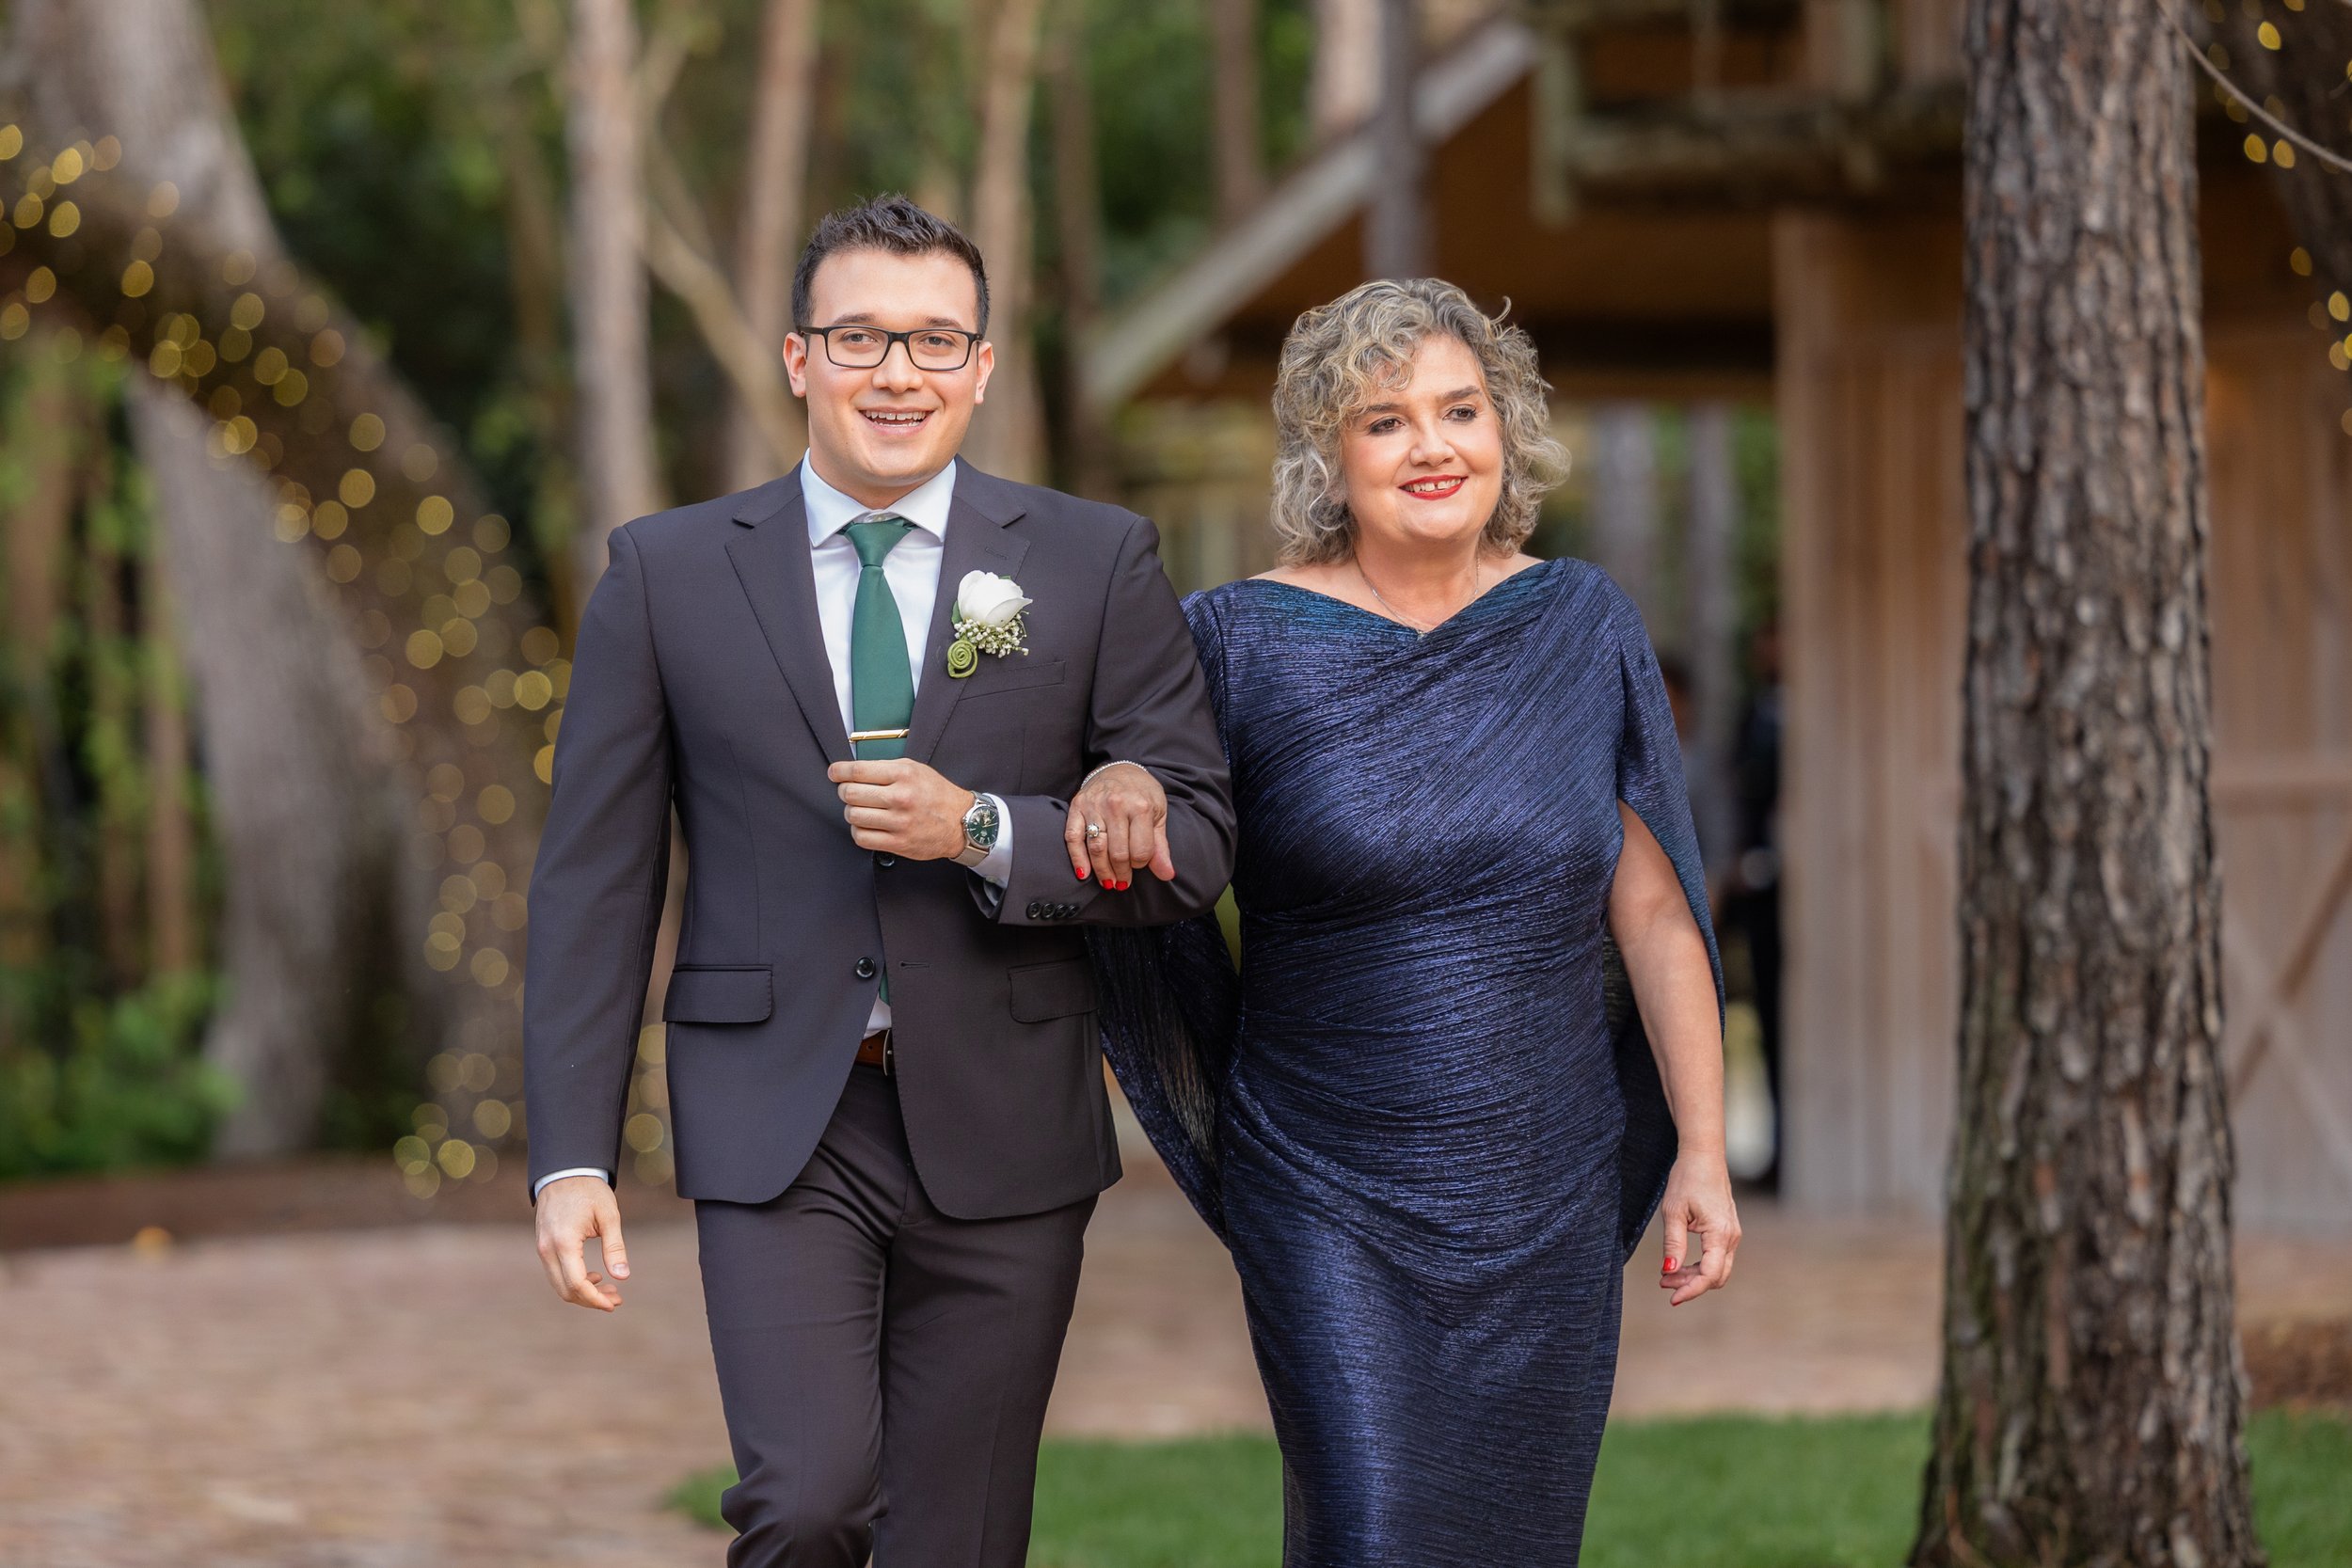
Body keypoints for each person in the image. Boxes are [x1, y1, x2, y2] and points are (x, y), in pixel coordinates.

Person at [522, 194, 1233, 1568]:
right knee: (807, 1506)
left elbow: (1192, 845)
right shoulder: (665, 575)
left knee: (959, 1539)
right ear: (799, 358)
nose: (894, 373)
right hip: (775, 1114)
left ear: (979, 367)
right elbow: (595, 885)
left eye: (932, 341)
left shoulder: (1094, 563)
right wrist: (571, 1155)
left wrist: (984, 832)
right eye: (858, 337)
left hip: (1010, 1111)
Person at [1089, 277, 1740, 1565]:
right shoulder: (1235, 641)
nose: (1432, 446)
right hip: (1325, 1188)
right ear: (1330, 456)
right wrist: (1116, 780)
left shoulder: (1583, 625)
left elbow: (1658, 917)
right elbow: (1147, 827)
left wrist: (1704, 1156)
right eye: (1384, 421)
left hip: (1545, 1192)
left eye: (1460, 410)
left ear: (1509, 429)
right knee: (1372, 1533)